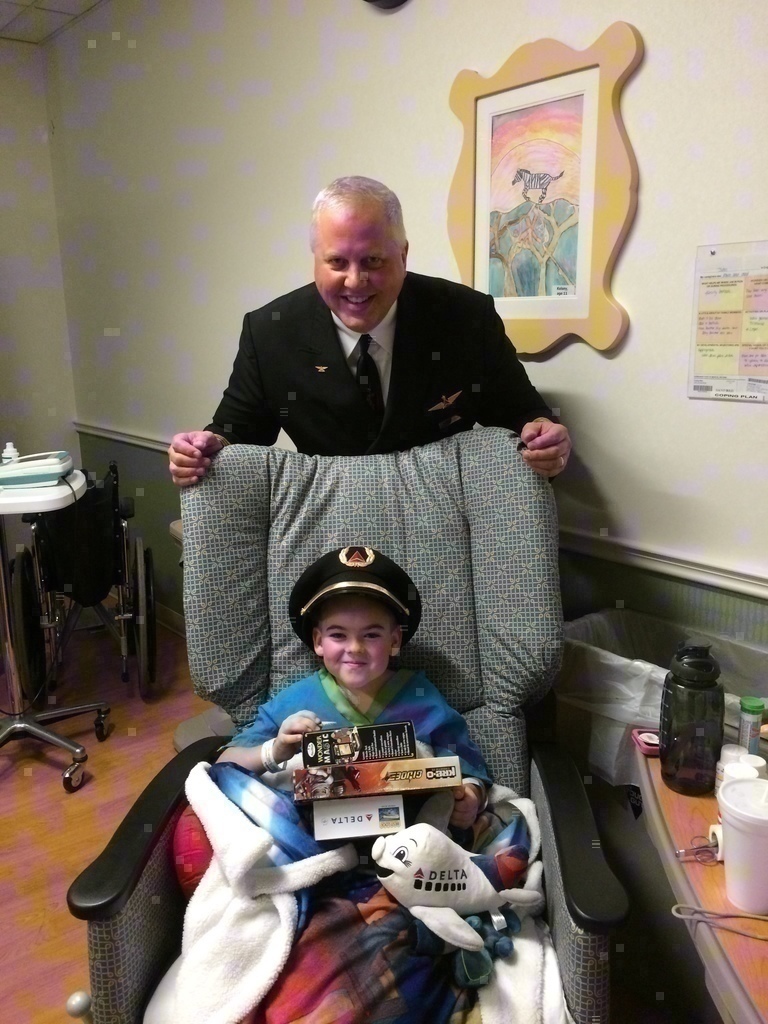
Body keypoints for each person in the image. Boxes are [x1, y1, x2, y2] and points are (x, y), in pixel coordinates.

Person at [169, 176, 571, 486]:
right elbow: (235, 433)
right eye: (337, 262)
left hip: (439, 523)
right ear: (315, 259)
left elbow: (522, 413)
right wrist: (202, 449)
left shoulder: (466, 317)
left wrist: (545, 439)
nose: (355, 281)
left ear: (403, 255)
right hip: (326, 525)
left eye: (373, 261)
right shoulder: (270, 331)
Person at [217, 545, 491, 831]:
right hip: (317, 832)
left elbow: (460, 757)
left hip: (410, 834)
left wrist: (471, 794)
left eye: (371, 635)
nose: (355, 648)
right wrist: (275, 751)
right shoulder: (295, 701)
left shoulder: (421, 696)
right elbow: (225, 765)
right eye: (338, 635)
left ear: (394, 640)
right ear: (318, 641)